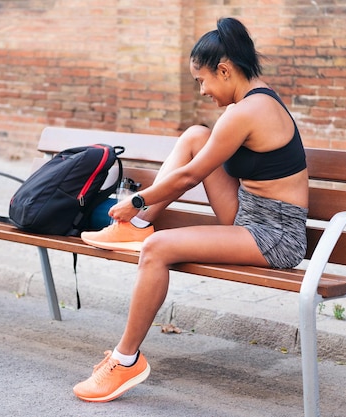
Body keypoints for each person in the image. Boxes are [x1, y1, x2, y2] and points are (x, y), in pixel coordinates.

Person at [73, 17, 309, 403]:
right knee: (196, 135)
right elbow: (197, 161)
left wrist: (135, 200)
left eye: (202, 80)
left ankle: (126, 359)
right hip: (249, 218)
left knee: (156, 249)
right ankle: (137, 227)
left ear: (225, 70)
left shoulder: (248, 112)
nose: (202, 91)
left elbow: (189, 177)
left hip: (275, 237)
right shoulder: (253, 101)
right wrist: (140, 209)